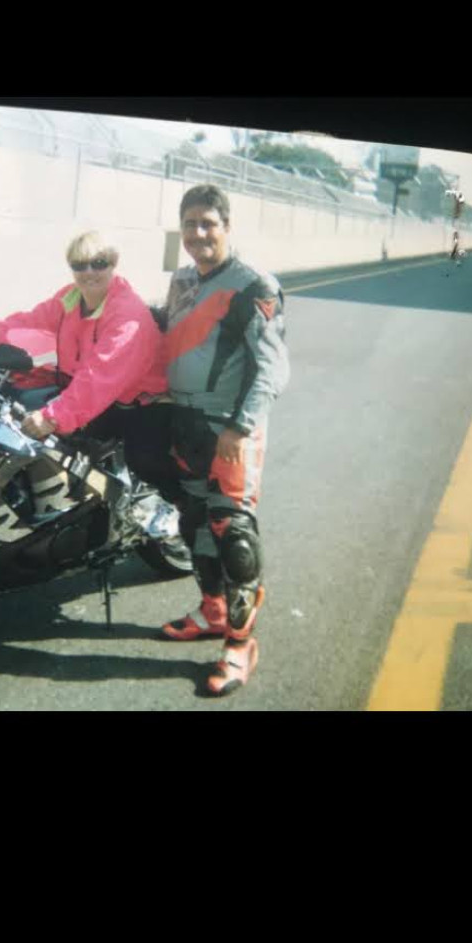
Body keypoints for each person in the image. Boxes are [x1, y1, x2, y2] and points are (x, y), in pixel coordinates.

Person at [159, 184, 290, 697]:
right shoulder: (181, 279)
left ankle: (239, 644)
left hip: (229, 429)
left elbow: (272, 369)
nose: (198, 233)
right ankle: (213, 612)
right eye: (189, 224)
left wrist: (240, 427)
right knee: (194, 523)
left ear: (227, 227)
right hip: (183, 424)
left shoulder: (254, 285)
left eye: (208, 223)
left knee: (232, 533)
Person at [0, 232, 170, 474]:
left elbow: (99, 379)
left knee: (125, 463)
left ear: (113, 263)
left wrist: (52, 418)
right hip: (91, 392)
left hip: (136, 403)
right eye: (79, 265)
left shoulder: (127, 316)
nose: (88, 272)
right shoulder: (71, 298)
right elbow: (26, 321)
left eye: (98, 263)